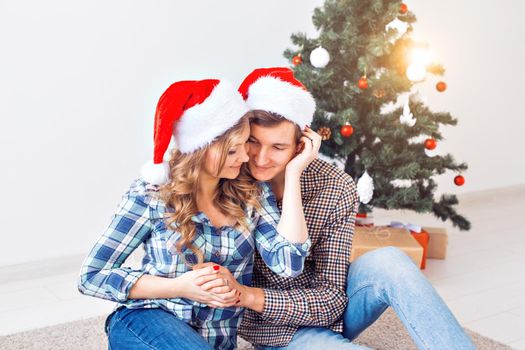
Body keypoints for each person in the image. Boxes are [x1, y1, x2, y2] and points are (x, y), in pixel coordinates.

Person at [196, 68, 476, 350]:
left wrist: (293, 177)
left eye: (278, 147)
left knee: (389, 260)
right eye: (253, 142)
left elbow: (332, 300)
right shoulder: (230, 178)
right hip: (273, 330)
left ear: (300, 145)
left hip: (324, 311)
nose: (260, 158)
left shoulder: (335, 186)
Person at [78, 78, 321, 350]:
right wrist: (180, 287)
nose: (245, 157)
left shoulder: (251, 193)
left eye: (244, 144)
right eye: (232, 150)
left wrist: (294, 172)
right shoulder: (151, 194)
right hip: (146, 320)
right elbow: (92, 276)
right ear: (200, 149)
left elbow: (288, 263)